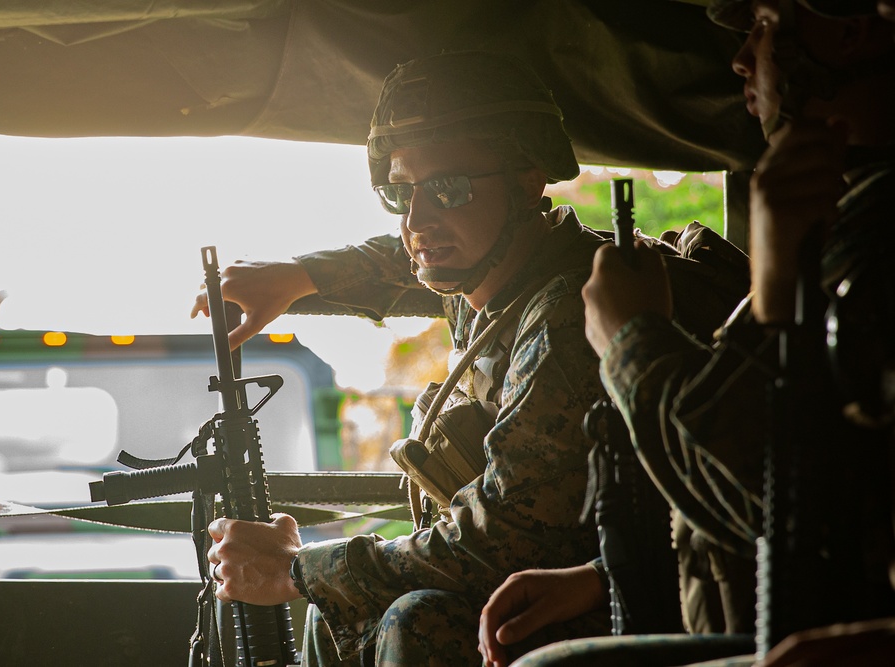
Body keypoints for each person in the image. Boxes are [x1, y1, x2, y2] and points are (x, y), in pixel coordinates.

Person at [482, 0, 895, 665]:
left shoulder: (871, 240)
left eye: (763, 24)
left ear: (848, 27)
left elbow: (780, 498)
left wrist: (630, 340)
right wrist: (604, 575)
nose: (741, 57)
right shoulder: (844, 221)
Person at [199, 50, 621, 666]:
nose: (418, 219)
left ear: (529, 183)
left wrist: (301, 568)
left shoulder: (562, 316)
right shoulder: (497, 278)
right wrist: (301, 276)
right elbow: (411, 256)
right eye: (400, 192)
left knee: (414, 619)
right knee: (348, 610)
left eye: (448, 188)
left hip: (610, 600)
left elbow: (500, 540)